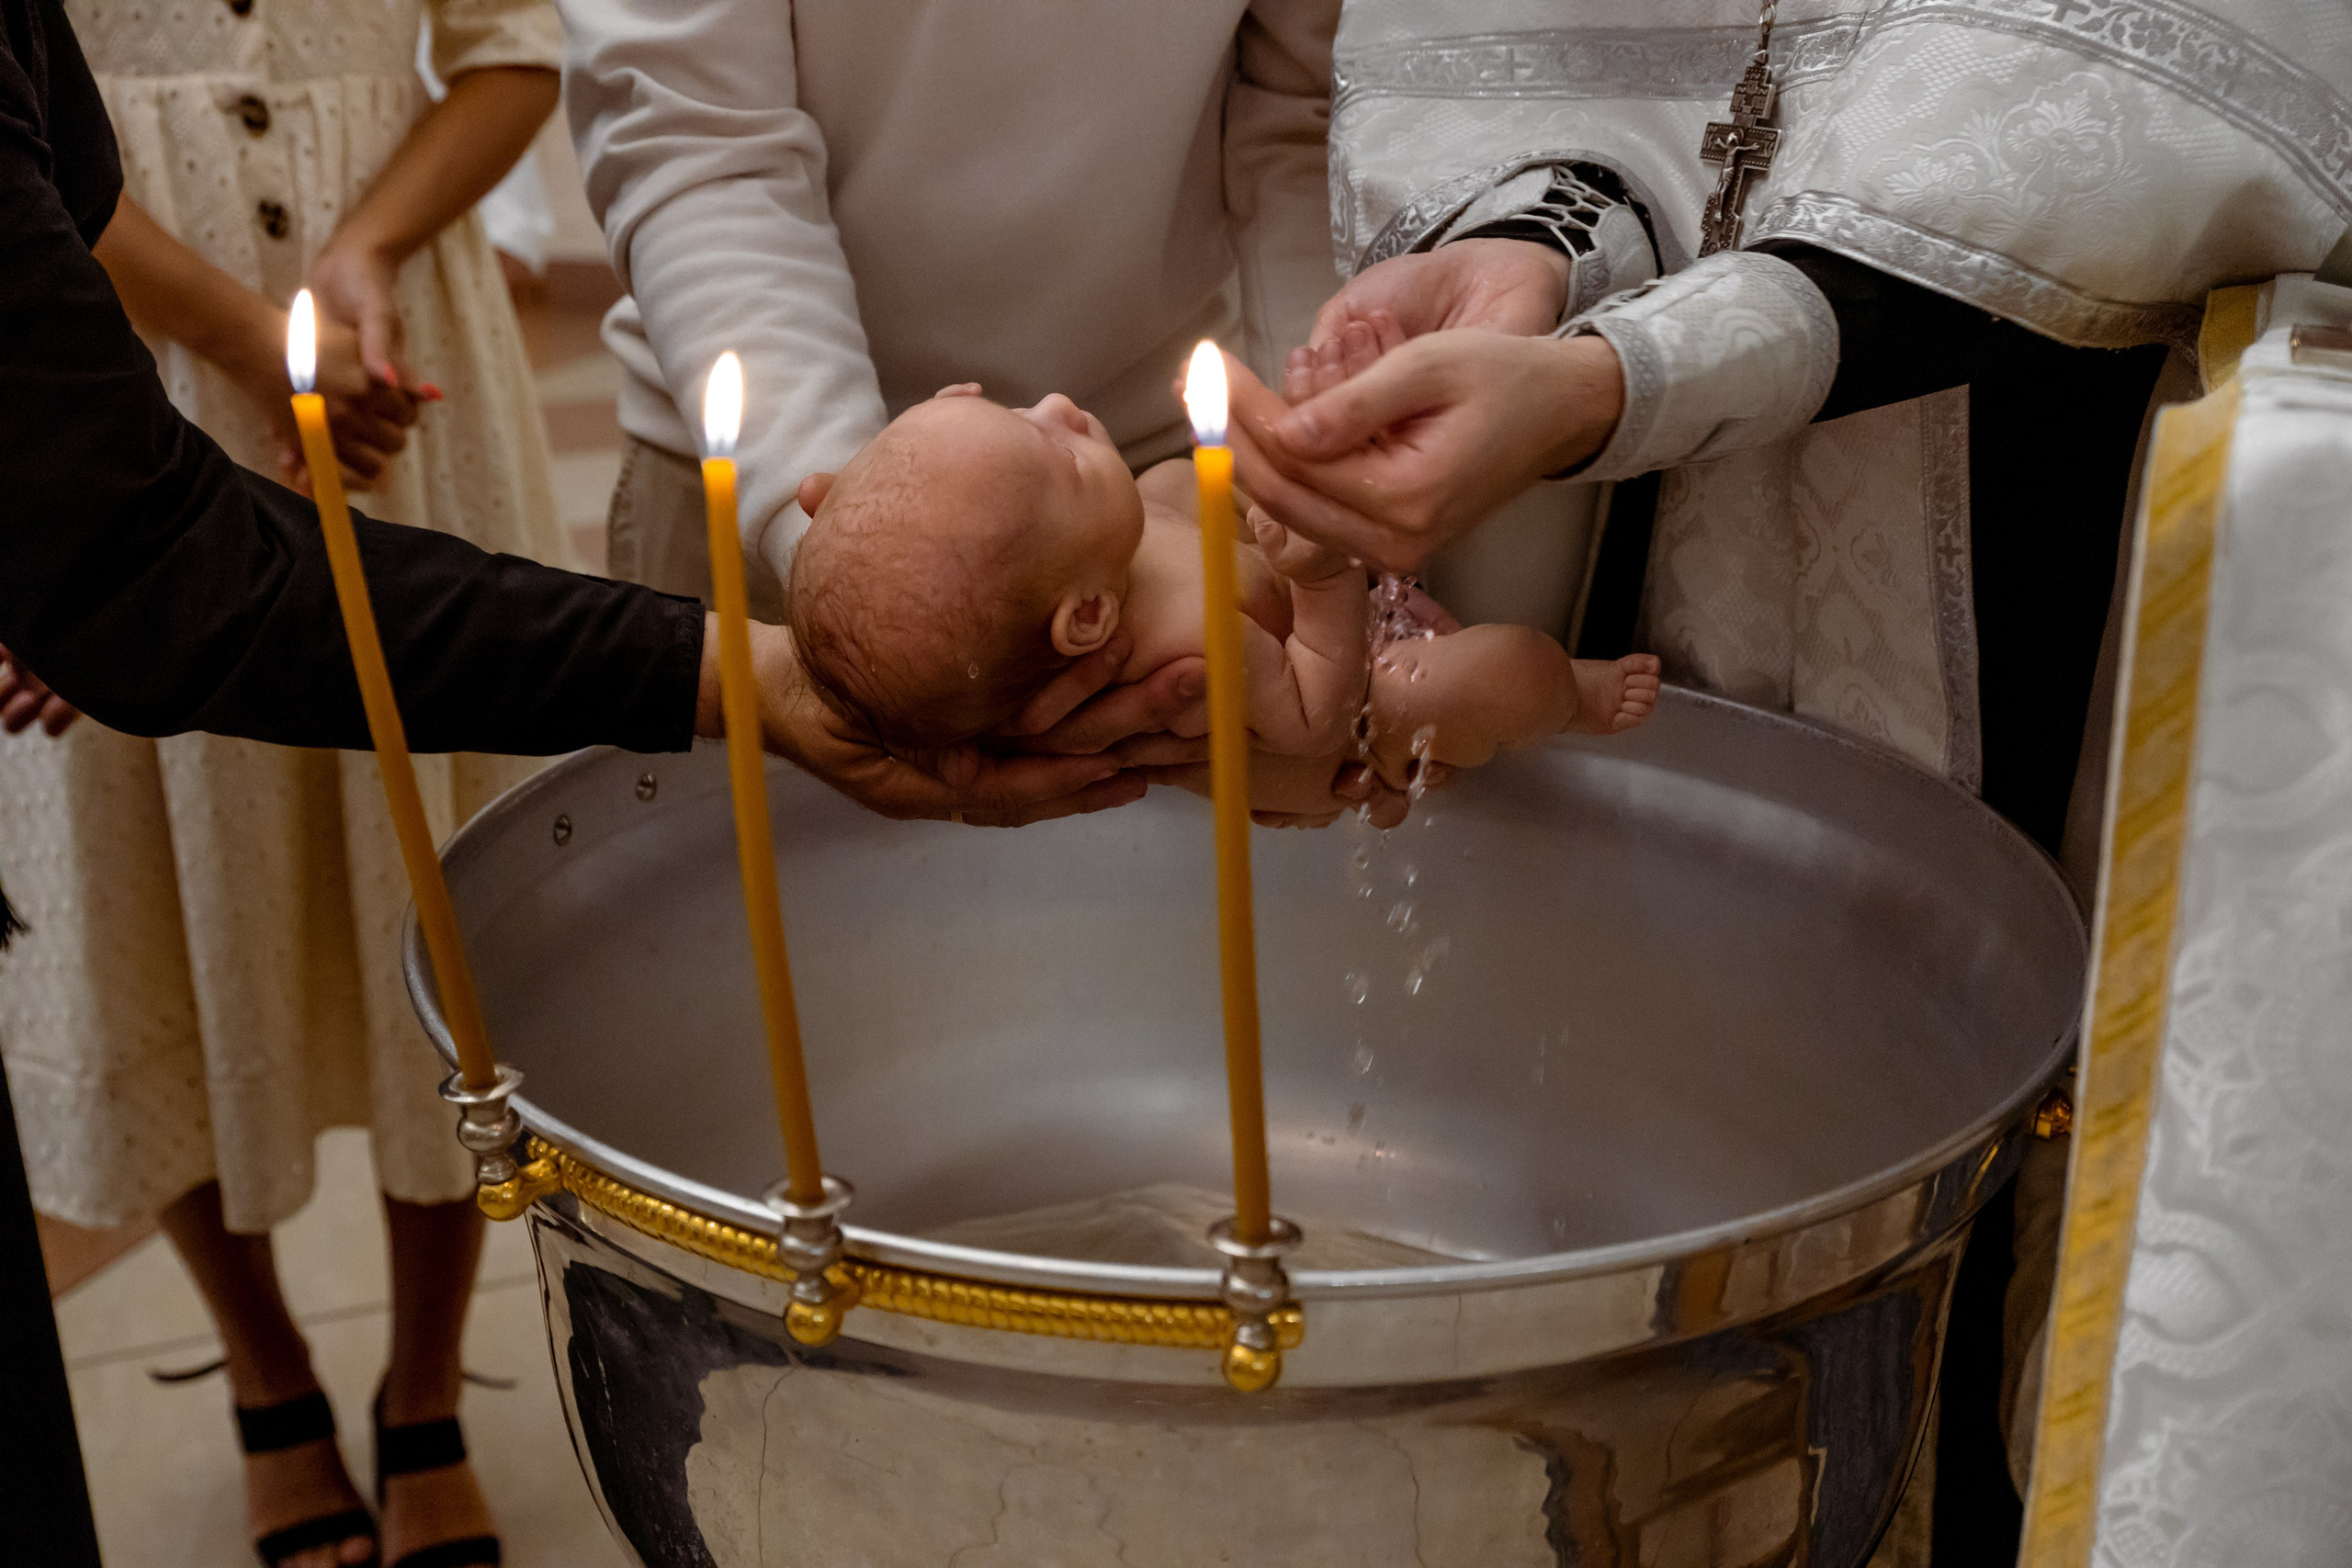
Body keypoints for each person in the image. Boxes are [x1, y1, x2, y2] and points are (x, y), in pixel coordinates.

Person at [0, 0, 1192, 1556]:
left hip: (203, 434)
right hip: (143, 408)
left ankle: (421, 1390)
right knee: (186, 927)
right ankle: (267, 1375)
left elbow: (91, 278)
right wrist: (67, 549)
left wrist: (60, 528)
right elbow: (145, 564)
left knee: (444, 933)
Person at [1225, 2, 2349, 1560]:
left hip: (2065, 457)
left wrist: (1619, 374)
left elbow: (2138, 109)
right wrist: (1548, 243)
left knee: (1993, 1253)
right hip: (1644, 499)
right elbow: (1694, 64)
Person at [2, 0, 576, 1559]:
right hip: (96, 368)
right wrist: (243, 340)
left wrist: (365, 251)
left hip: (397, 359)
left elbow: (517, 46)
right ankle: (268, 1370)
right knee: (143, 897)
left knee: (442, 878)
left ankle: (424, 1386)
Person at [559, 0, 1341, 620]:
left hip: (1152, 460)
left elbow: (1300, 111)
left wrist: (1310, 468)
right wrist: (866, 563)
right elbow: (698, 142)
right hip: (775, 476)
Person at [787, 384, 1660, 824]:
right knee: (1504, 674)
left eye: (1020, 410)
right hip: (1359, 709)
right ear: (1088, 618)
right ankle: (1570, 696)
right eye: (1054, 451)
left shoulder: (1092, 566)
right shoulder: (1190, 655)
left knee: (1167, 478)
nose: (1058, 404)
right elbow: (1315, 713)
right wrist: (1322, 580)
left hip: (1321, 618)